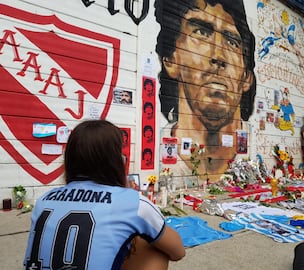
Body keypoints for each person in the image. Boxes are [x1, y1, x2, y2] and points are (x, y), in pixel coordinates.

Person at [23, 120, 185, 270]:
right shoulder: (134, 203)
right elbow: (178, 251)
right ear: (115, 161)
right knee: (154, 248)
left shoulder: (44, 200)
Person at [155, 0, 256, 178]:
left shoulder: (253, 154)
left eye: (232, 42)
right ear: (170, 60)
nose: (218, 56)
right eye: (201, 32)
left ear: (247, 76)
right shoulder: (160, 164)